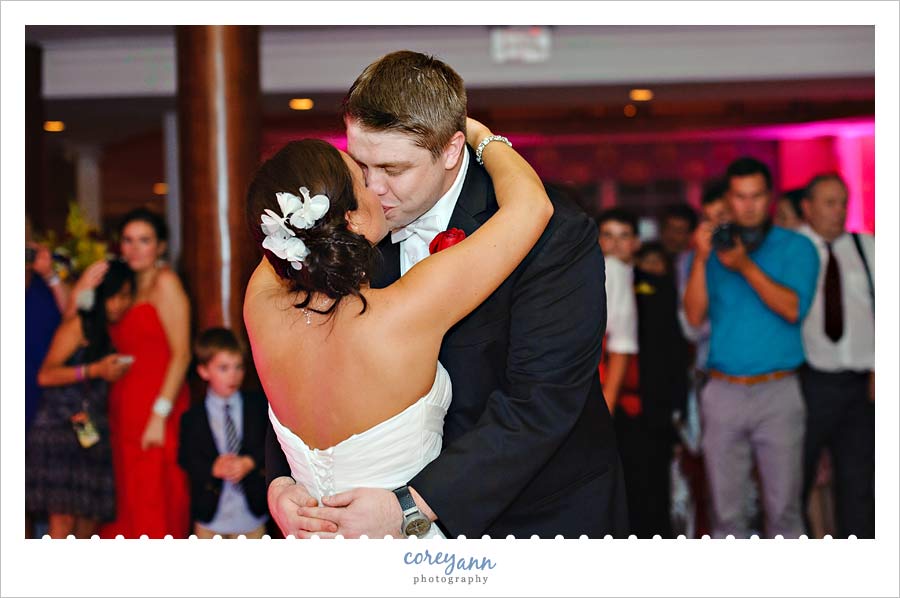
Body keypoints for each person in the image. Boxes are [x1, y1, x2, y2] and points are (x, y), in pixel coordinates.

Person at [260, 51, 626, 540]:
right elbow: (300, 355)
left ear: (452, 151)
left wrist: (411, 508)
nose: (373, 189)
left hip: (535, 520)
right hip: (365, 520)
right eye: (360, 164)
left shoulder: (553, 233)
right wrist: (282, 480)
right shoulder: (348, 226)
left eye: (393, 167)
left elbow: (542, 403)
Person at [684, 157, 819, 538]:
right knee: (726, 514)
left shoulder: (797, 247)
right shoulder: (714, 248)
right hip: (722, 391)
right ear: (729, 199)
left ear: (769, 198)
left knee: (785, 512)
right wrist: (700, 257)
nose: (749, 205)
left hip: (779, 391)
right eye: (740, 197)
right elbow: (693, 318)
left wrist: (744, 266)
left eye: (757, 196)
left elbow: (793, 308)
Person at [99, 208, 192, 539]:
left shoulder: (166, 283)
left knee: (156, 499)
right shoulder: (122, 288)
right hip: (123, 406)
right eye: (128, 240)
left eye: (144, 240)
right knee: (127, 500)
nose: (135, 248)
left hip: (158, 406)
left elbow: (182, 353)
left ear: (161, 247)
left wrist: (159, 413)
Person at [25, 260, 135, 538]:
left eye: (126, 295)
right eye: (115, 295)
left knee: (88, 521)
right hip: (59, 428)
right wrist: (95, 370)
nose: (120, 303)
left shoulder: (107, 330)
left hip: (90, 429)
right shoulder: (78, 324)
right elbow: (45, 375)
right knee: (61, 523)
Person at [797, 173, 874, 538]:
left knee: (859, 485)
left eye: (843, 202)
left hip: (861, 386)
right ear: (807, 207)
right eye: (830, 202)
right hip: (808, 381)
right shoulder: (792, 250)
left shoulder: (867, 247)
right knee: (798, 478)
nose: (839, 211)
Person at [178, 328, 269, 539]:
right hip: (211, 517)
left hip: (251, 516)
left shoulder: (257, 406)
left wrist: (250, 462)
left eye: (238, 367)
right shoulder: (193, 417)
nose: (234, 375)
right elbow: (186, 458)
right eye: (223, 368)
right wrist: (212, 467)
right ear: (203, 371)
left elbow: (271, 445)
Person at [596, 208, 640, 414]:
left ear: (636, 242)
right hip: (604, 379)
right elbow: (620, 343)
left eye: (623, 235)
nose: (615, 243)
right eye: (608, 235)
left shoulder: (623, 272)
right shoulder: (611, 269)